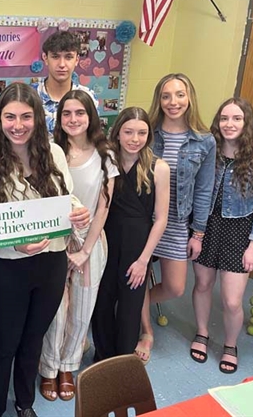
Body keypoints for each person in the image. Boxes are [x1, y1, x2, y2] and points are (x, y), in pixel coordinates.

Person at [0, 83, 90, 417]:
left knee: (34, 337)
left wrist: (76, 211)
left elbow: (67, 198)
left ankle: (24, 403)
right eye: (9, 117)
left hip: (50, 263)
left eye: (25, 116)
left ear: (38, 118)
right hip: (5, 269)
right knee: (5, 344)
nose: (17, 125)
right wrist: (13, 242)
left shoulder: (55, 153)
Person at [38, 90, 118, 402]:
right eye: (67, 114)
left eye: (80, 113)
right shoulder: (49, 151)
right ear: (59, 118)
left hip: (91, 241)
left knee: (82, 310)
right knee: (56, 310)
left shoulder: (105, 155)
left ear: (91, 116)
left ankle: (68, 367)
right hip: (56, 241)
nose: (73, 119)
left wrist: (85, 250)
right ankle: (48, 367)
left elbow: (103, 207)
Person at [190, 98, 253, 374]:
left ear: (246, 122)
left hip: (240, 231)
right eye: (224, 118)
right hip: (206, 225)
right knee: (202, 284)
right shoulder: (208, 151)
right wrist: (196, 231)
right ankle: (202, 333)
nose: (229, 124)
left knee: (231, 300)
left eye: (236, 118)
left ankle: (230, 345)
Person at [136, 73, 216, 363]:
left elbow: (205, 189)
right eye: (166, 96)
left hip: (176, 223)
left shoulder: (205, 141)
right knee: (136, 276)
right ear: (159, 99)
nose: (173, 102)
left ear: (190, 97)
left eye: (180, 94)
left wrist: (198, 234)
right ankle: (146, 330)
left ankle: (133, 304)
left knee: (175, 287)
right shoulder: (147, 132)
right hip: (142, 220)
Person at [92, 107, 169, 362]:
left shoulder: (159, 168)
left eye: (141, 133)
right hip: (107, 240)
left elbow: (161, 219)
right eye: (128, 132)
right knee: (102, 303)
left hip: (138, 247)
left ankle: (122, 362)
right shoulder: (106, 161)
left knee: (129, 308)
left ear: (149, 135)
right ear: (118, 132)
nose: (134, 139)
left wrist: (144, 260)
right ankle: (102, 357)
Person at [32, 31, 98, 134]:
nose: (62, 64)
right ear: (45, 58)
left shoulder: (88, 97)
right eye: (55, 56)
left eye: (68, 57)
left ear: (76, 60)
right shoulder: (30, 96)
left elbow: (93, 136)